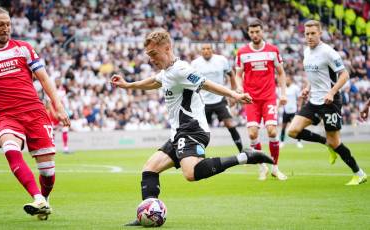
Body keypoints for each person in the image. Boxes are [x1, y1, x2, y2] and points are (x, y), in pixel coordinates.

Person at [110, 30, 274, 226]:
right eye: (149, 55)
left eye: (154, 54)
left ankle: (246, 156)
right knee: (149, 169)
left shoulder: (182, 70)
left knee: (190, 173)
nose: (151, 59)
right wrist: (128, 85)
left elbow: (206, 84)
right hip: (179, 132)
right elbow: (154, 81)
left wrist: (234, 94)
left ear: (167, 48)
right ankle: (146, 213)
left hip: (193, 130)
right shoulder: (167, 72)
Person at [0, 7, 70, 219]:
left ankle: (44, 201)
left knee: (47, 172)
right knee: (10, 149)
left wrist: (59, 106)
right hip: (7, 116)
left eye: (8, 24)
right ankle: (37, 197)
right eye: (1, 25)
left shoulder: (24, 48)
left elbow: (45, 79)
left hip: (35, 113)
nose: (6, 28)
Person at [287, 20, 367, 185]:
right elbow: (316, 75)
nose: (309, 37)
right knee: (292, 131)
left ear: (320, 33)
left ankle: (359, 173)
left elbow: (344, 75)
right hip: (314, 100)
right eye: (307, 34)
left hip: (330, 102)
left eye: (313, 33)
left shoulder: (329, 52)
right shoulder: (306, 52)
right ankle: (326, 144)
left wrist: (331, 92)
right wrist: (308, 87)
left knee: (335, 142)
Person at [235, 19, 288, 181]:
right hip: (251, 99)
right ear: (248, 33)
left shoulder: (272, 50)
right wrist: (239, 88)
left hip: (269, 97)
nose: (255, 34)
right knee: (252, 134)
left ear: (262, 31)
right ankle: (262, 166)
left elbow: (281, 73)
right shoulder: (242, 52)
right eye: (252, 32)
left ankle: (275, 168)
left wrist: (283, 93)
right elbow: (238, 75)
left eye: (257, 31)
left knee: (272, 130)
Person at [191, 44, 243, 152]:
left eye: (208, 48)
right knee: (199, 129)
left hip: (219, 99)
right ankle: (196, 154)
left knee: (229, 124)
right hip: (203, 101)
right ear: (201, 51)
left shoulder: (221, 60)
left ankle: (242, 152)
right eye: (203, 49)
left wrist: (233, 94)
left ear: (212, 50)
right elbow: (191, 82)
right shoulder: (195, 64)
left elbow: (231, 74)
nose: (206, 51)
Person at [279, 76, 303, 148]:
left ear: (291, 80)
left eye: (288, 80)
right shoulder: (283, 89)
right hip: (286, 111)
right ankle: (282, 142)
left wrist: (300, 106)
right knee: (283, 127)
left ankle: (299, 142)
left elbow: (300, 97)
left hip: (293, 110)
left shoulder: (295, 88)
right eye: (285, 80)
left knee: (296, 127)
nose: (286, 81)